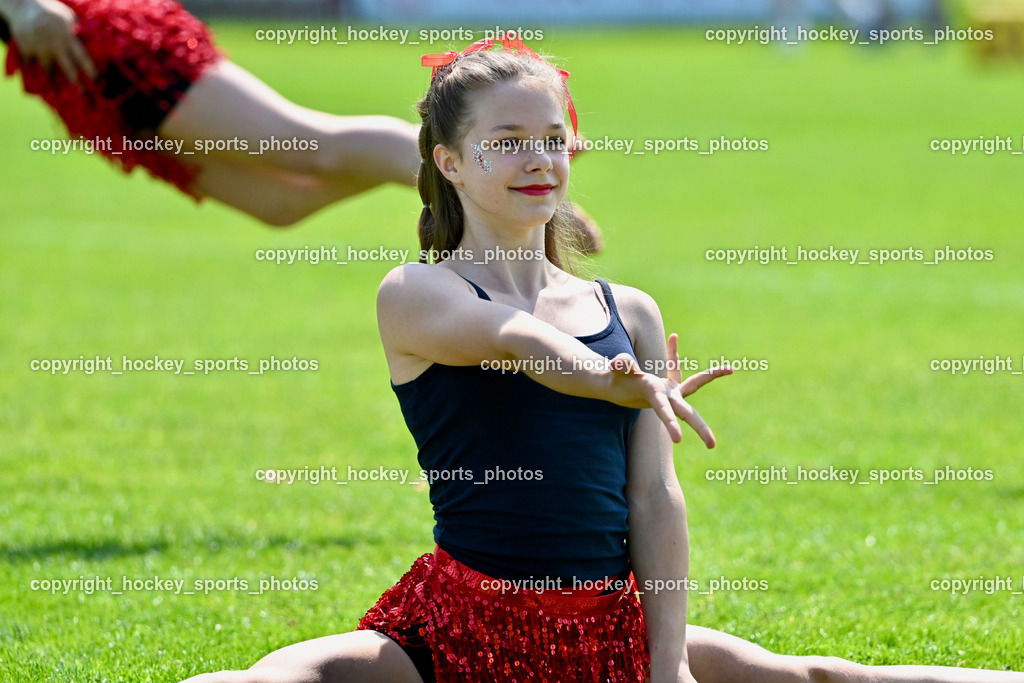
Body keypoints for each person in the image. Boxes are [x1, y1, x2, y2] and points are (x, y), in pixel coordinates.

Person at [179, 39, 1024, 683]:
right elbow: (515, 342)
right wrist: (609, 378)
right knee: (279, 676)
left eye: (552, 138)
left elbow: (655, 496)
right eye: (506, 141)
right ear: (449, 162)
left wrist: (667, 666)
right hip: (457, 629)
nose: (538, 158)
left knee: (818, 676)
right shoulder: (418, 292)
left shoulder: (632, 312)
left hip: (606, 628)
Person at [0, 0, 602, 251]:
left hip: (97, 40)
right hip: (70, 79)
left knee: (308, 146)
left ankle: (503, 178)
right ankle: (443, 162)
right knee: (278, 205)